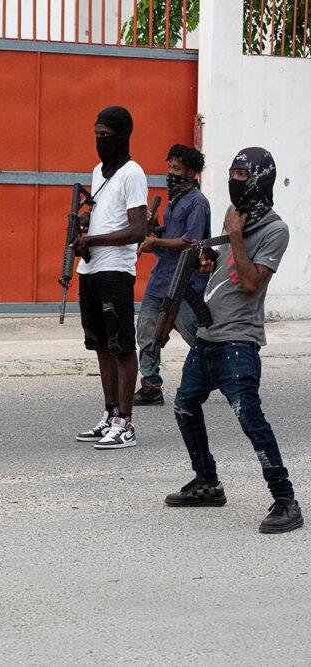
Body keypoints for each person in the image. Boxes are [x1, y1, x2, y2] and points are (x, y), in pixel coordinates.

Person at [165, 147, 302, 534]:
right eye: (231, 175)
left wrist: (236, 237)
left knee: (250, 418)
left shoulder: (275, 230)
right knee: (184, 406)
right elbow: (227, 273)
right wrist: (212, 261)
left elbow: (252, 281)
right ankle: (207, 481)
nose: (232, 183)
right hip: (208, 336)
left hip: (238, 341)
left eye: (241, 177)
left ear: (260, 181)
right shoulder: (234, 220)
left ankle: (285, 500)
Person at [71, 106, 148, 449]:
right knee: (100, 345)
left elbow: (137, 229)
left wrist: (95, 240)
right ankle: (109, 413)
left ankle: (126, 423)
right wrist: (84, 228)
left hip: (116, 269)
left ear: (122, 135)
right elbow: (104, 216)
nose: (99, 141)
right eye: (96, 134)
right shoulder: (97, 172)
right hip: (90, 268)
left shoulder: (133, 174)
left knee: (121, 346)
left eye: (105, 135)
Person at [135, 145, 211, 406]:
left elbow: (191, 241)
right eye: (169, 168)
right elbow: (172, 233)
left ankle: (220, 375)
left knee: (197, 336)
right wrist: (154, 229)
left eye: (176, 169)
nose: (171, 173)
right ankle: (151, 386)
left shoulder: (198, 203)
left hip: (184, 285)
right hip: (161, 280)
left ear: (191, 172)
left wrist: (156, 242)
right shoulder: (176, 199)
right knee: (146, 331)